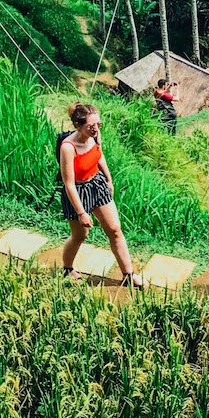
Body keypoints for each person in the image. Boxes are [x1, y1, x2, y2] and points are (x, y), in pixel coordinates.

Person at [58, 103, 143, 288]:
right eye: (91, 126)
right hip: (78, 192)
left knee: (115, 229)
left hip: (97, 183)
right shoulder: (68, 148)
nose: (96, 129)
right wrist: (82, 213)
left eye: (99, 125)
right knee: (80, 235)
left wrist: (108, 178)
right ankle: (67, 268)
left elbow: (99, 154)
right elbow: (69, 184)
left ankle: (129, 274)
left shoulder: (94, 135)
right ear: (78, 126)